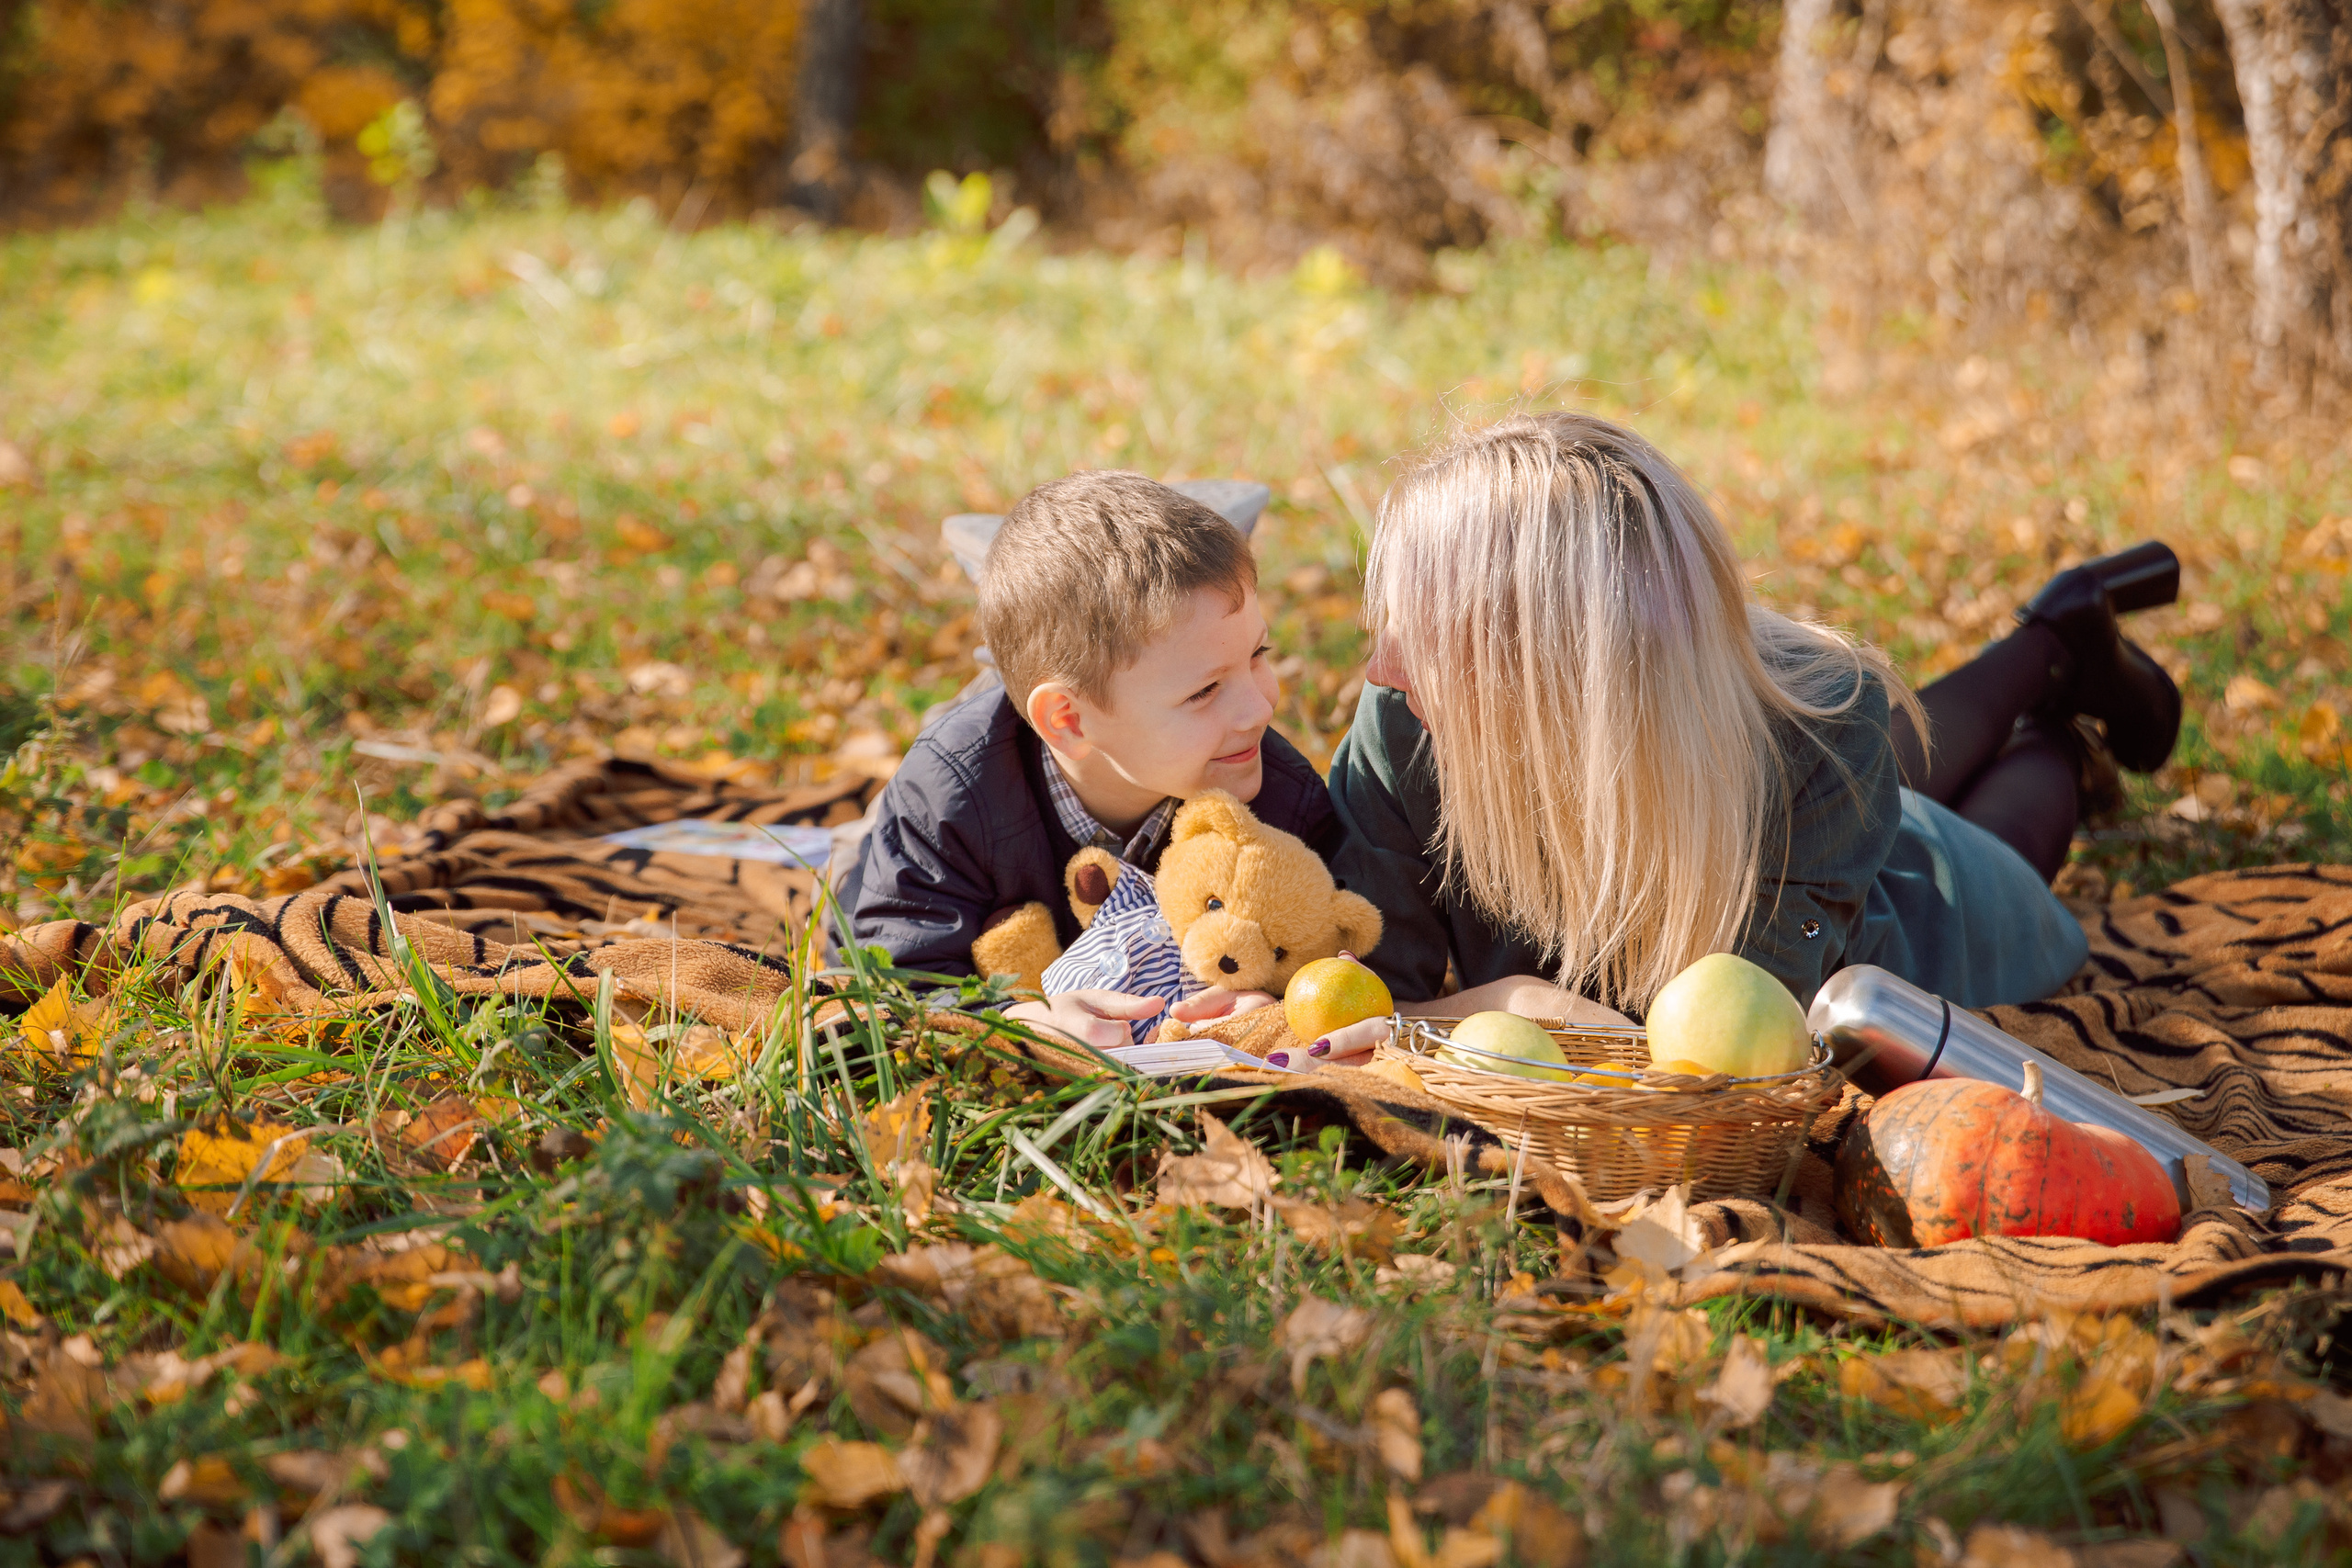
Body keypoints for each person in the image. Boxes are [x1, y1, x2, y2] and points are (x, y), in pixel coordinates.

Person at [1308, 412, 2181, 1062]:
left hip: (1920, 920)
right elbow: (1375, 1000)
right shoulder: (1408, 717)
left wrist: (1495, 1005)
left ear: (1559, 664)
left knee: (1993, 831)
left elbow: (1720, 1059)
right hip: (1807, 802)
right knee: (1881, 770)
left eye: (1423, 629)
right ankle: (2059, 638)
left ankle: (2063, 732)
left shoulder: (1822, 729)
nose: (1382, 666)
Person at [839, 470, 1336, 1050]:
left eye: (1258, 653)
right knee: (854, 861)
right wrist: (1020, 1021)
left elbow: (1325, 948)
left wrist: (1271, 1005)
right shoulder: (949, 795)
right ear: (1069, 721)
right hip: (908, 847)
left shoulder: (1279, 795)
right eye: (1204, 691)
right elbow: (895, 981)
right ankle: (996, 634)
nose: (1259, 707)